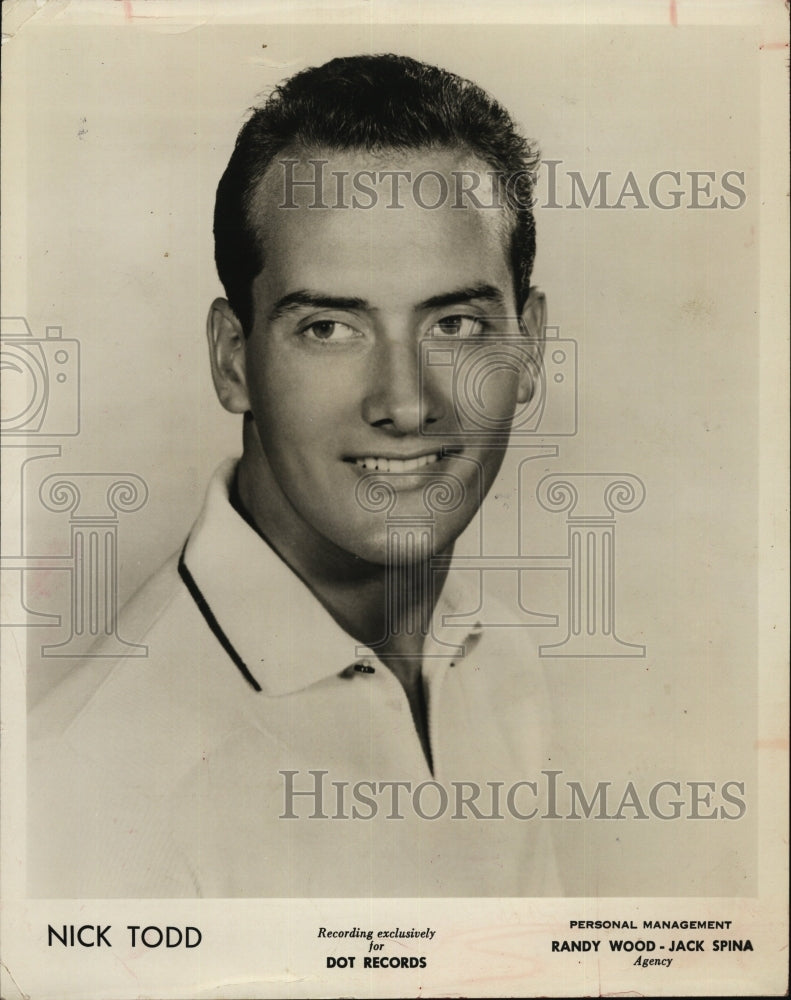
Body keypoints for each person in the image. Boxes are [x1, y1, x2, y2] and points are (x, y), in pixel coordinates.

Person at [28, 54, 561, 897]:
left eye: (453, 322)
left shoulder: (500, 657)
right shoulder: (88, 787)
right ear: (232, 360)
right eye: (328, 329)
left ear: (526, 348)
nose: (405, 403)